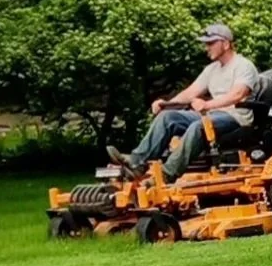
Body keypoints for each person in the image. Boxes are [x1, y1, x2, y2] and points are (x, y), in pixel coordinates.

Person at [112, 24, 262, 179]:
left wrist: (207, 104)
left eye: (211, 43)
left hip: (235, 118)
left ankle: (167, 174)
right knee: (168, 117)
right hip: (211, 115)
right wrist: (166, 104)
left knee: (199, 126)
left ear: (225, 44)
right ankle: (137, 163)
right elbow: (190, 92)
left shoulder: (243, 65)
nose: (206, 48)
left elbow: (237, 94)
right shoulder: (211, 69)